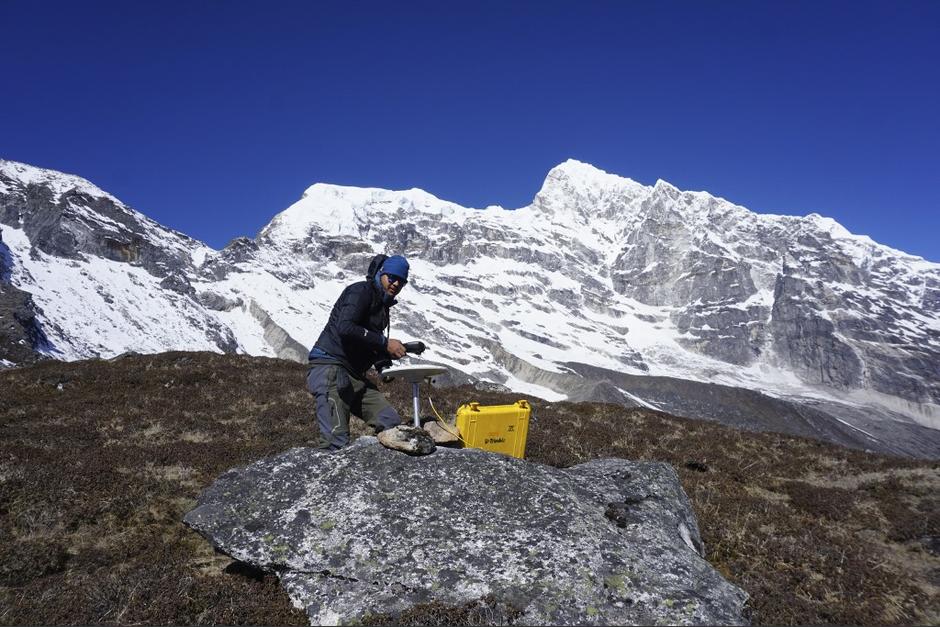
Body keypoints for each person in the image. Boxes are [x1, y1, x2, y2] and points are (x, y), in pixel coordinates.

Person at [306, 253, 410, 450]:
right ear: (381, 273)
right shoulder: (360, 291)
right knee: (335, 444)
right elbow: (345, 327)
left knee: (392, 424)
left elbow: (367, 339)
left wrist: (384, 357)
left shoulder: (382, 304)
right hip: (331, 368)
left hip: (355, 375)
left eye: (401, 281)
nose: (396, 284)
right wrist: (384, 343)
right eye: (392, 277)